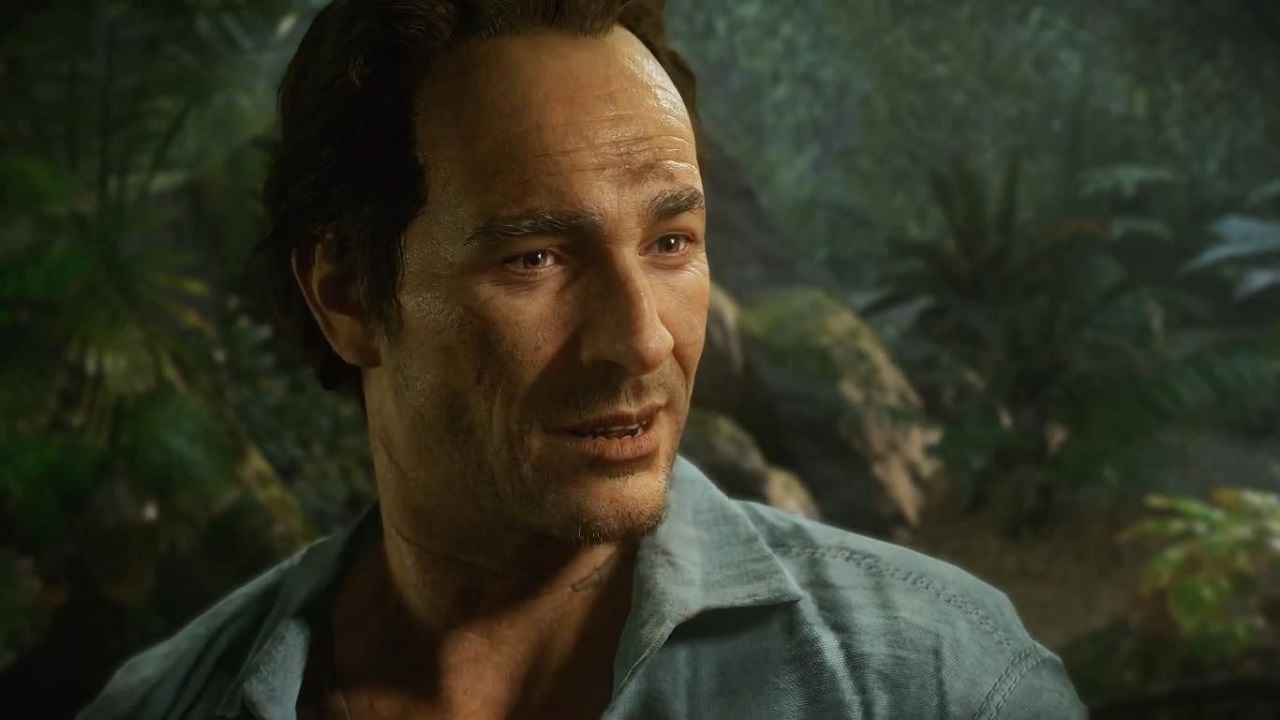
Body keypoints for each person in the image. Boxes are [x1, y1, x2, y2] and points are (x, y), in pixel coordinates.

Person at [79, 0, 1087, 717]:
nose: (642, 339)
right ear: (345, 294)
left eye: (670, 243)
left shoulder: (941, 683)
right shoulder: (162, 703)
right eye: (536, 258)